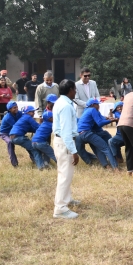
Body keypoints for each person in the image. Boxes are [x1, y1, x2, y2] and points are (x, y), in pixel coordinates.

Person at [52, 79, 80, 219]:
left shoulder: (61, 102)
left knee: (65, 174)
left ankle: (66, 199)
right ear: (70, 90)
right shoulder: (66, 106)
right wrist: (74, 151)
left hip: (60, 141)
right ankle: (60, 208)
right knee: (65, 175)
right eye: (74, 89)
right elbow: (66, 132)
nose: (75, 92)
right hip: (64, 143)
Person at [75, 98, 119, 170]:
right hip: (88, 133)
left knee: (97, 148)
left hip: (80, 135)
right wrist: (112, 120)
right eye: (97, 104)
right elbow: (100, 123)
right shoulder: (93, 110)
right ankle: (116, 168)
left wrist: (107, 118)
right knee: (105, 148)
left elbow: (101, 117)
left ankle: (106, 166)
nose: (99, 106)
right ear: (93, 105)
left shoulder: (86, 110)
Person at [31, 95, 58, 170]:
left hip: (33, 141)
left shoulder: (44, 123)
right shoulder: (51, 124)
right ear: (49, 118)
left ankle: (41, 167)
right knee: (52, 153)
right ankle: (61, 165)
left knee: (38, 155)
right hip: (41, 142)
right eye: (52, 117)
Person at [0, 101, 22, 167]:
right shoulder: (8, 117)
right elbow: (16, 126)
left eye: (17, 107)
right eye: (14, 108)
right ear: (9, 109)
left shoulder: (19, 113)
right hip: (5, 133)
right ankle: (14, 163)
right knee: (10, 142)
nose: (16, 108)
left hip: (13, 132)